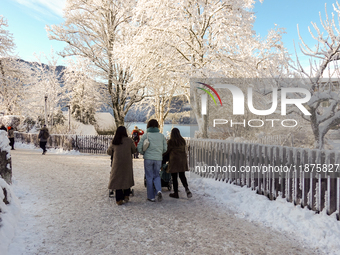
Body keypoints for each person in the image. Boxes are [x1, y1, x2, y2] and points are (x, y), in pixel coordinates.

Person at [137, 119, 167, 202]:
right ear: (157, 126)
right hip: (158, 159)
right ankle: (159, 190)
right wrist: (159, 153)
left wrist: (144, 153)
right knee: (157, 175)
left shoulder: (145, 135)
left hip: (148, 159)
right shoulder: (161, 136)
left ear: (148, 126)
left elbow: (139, 147)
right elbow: (165, 148)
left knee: (149, 176)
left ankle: (151, 197)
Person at [107, 126, 136, 205]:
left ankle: (119, 199)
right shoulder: (129, 140)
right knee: (126, 177)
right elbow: (134, 150)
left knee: (117, 179)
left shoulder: (115, 141)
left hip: (117, 163)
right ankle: (126, 194)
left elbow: (109, 152)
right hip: (127, 162)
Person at [163, 128, 192, 199]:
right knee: (182, 175)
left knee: (174, 177)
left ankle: (176, 193)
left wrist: (163, 157)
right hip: (182, 160)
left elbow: (167, 151)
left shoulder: (171, 142)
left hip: (174, 160)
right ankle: (186, 188)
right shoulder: (183, 141)